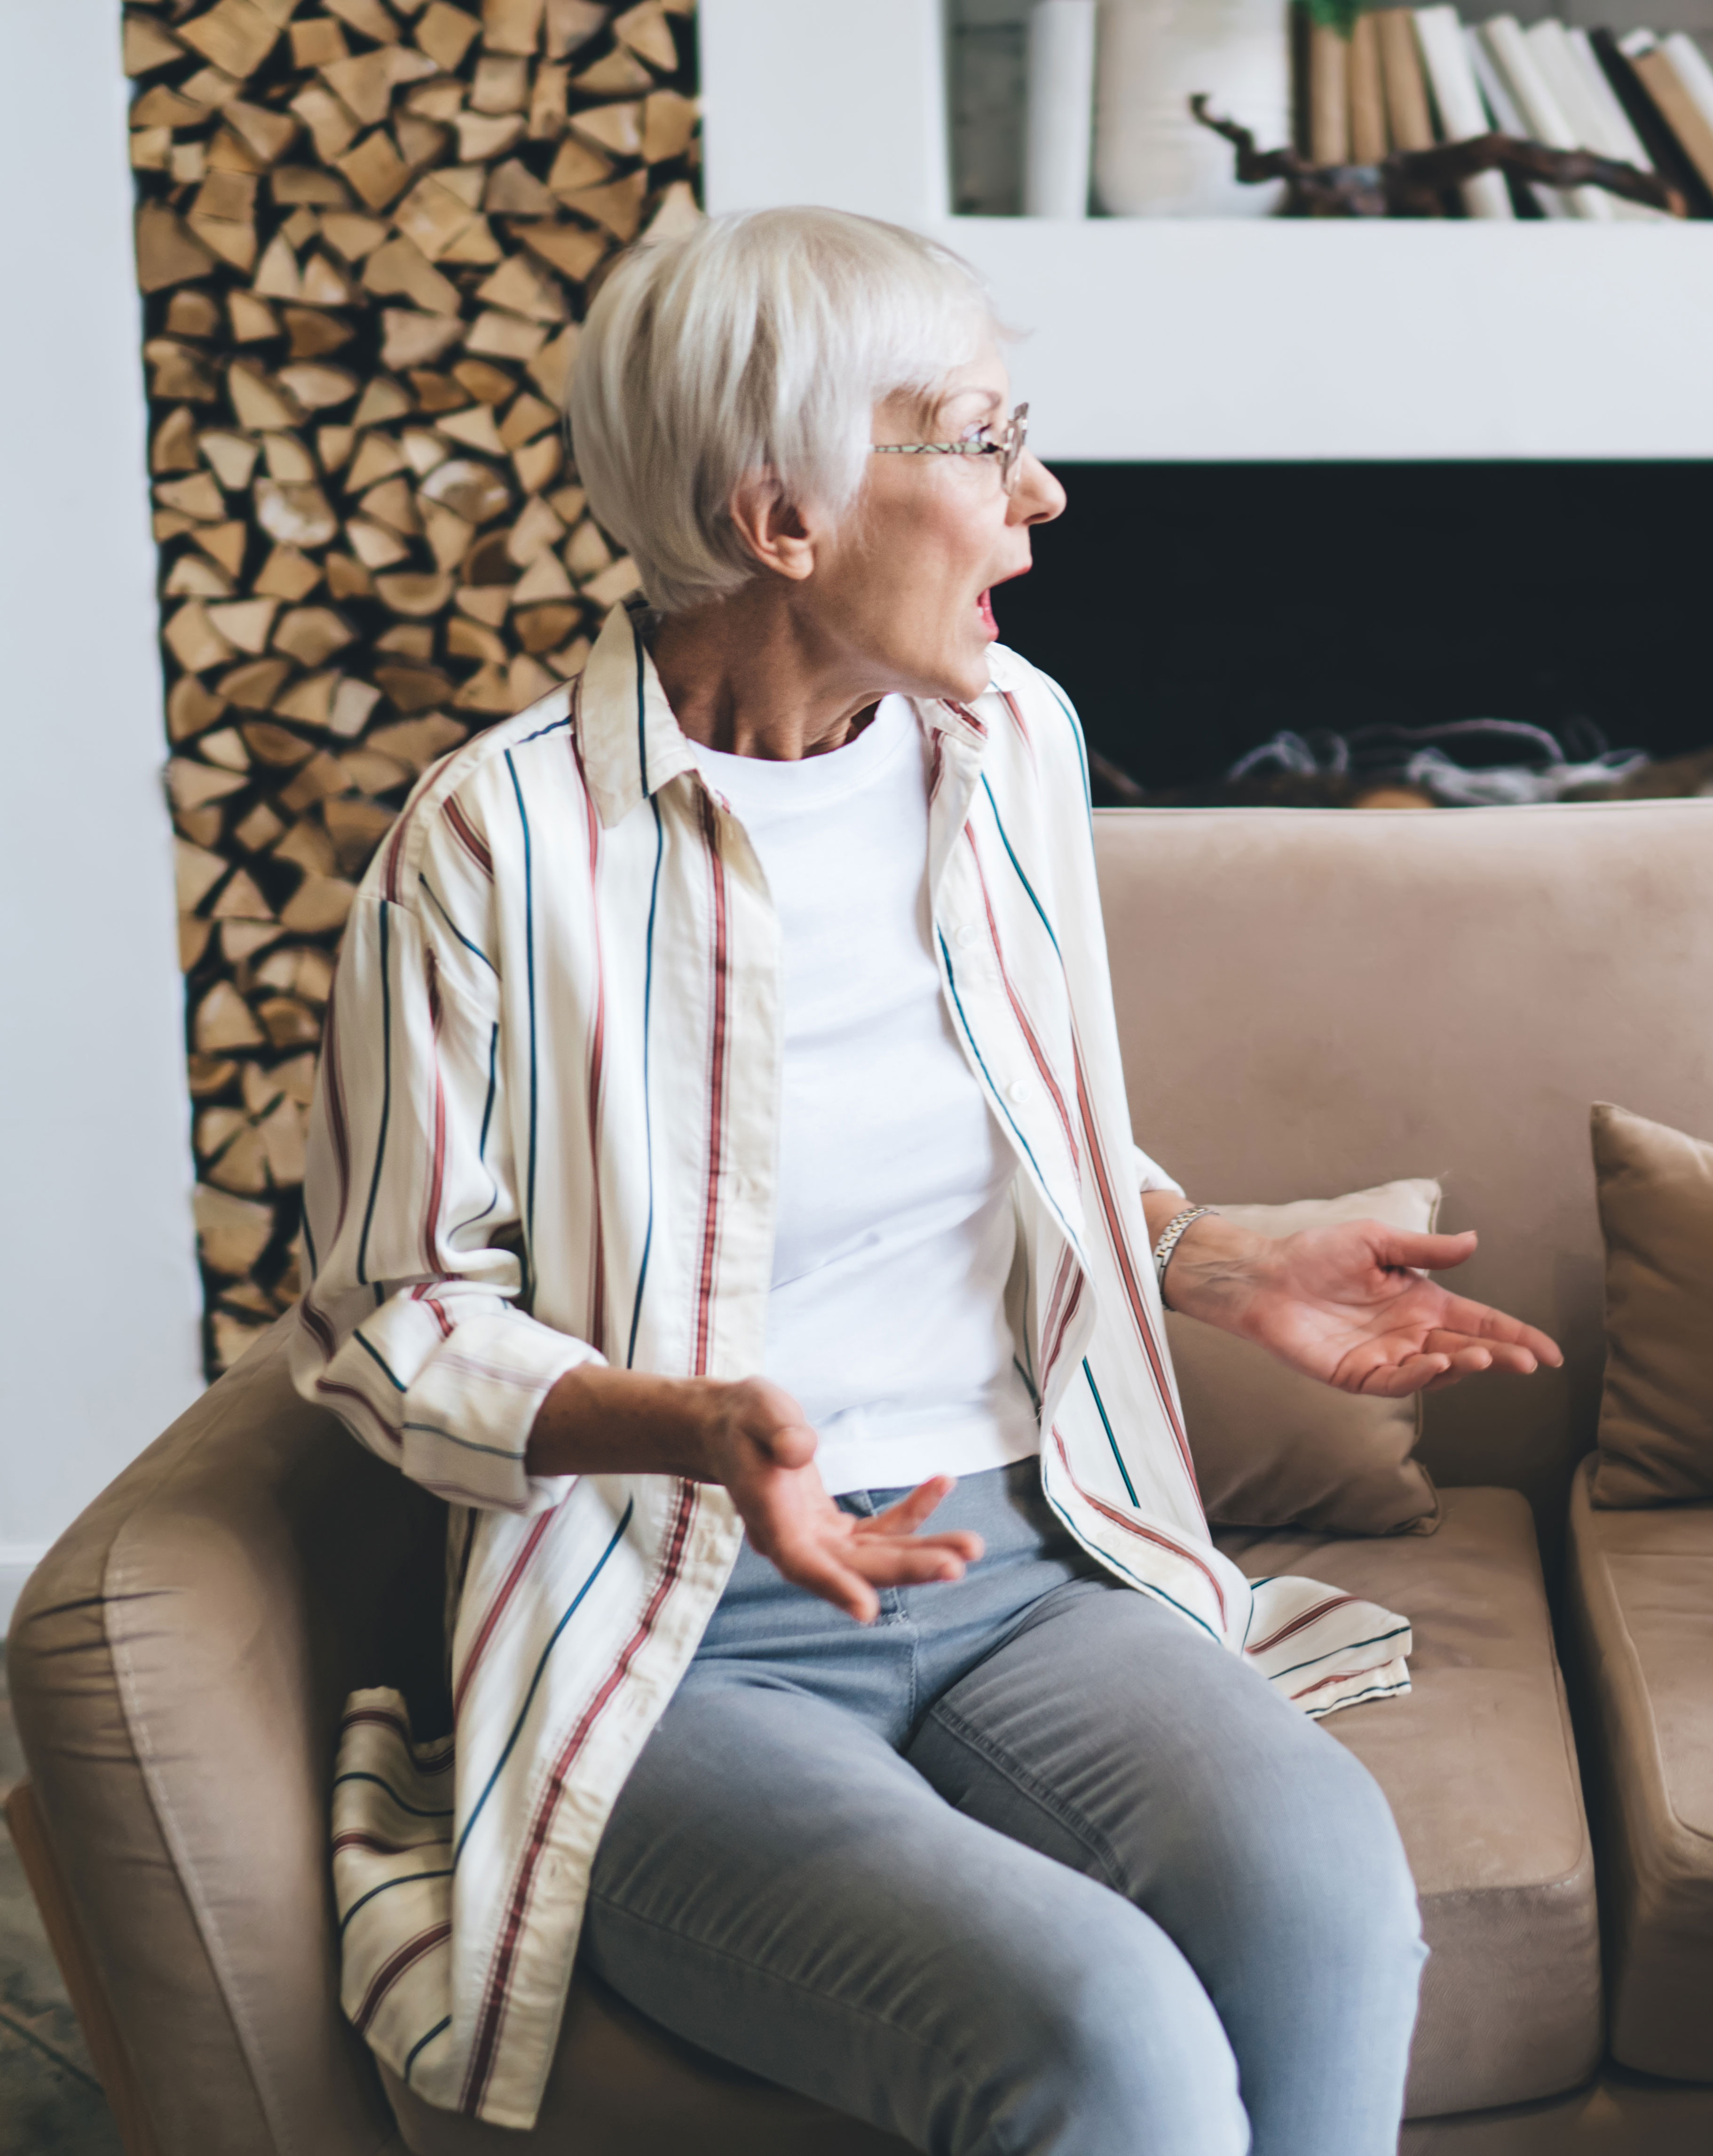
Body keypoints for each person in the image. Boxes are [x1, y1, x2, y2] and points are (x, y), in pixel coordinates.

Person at [294, 206, 1561, 2156]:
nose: (1038, 495)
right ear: (783, 516)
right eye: (979, 440)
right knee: (1105, 2039)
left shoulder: (1011, 740)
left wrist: (1212, 1262)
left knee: (1328, 1899)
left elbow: (1019, 1118)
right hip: (683, 1629)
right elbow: (389, 1323)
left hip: (1033, 1560)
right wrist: (694, 1422)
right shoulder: (492, 848)